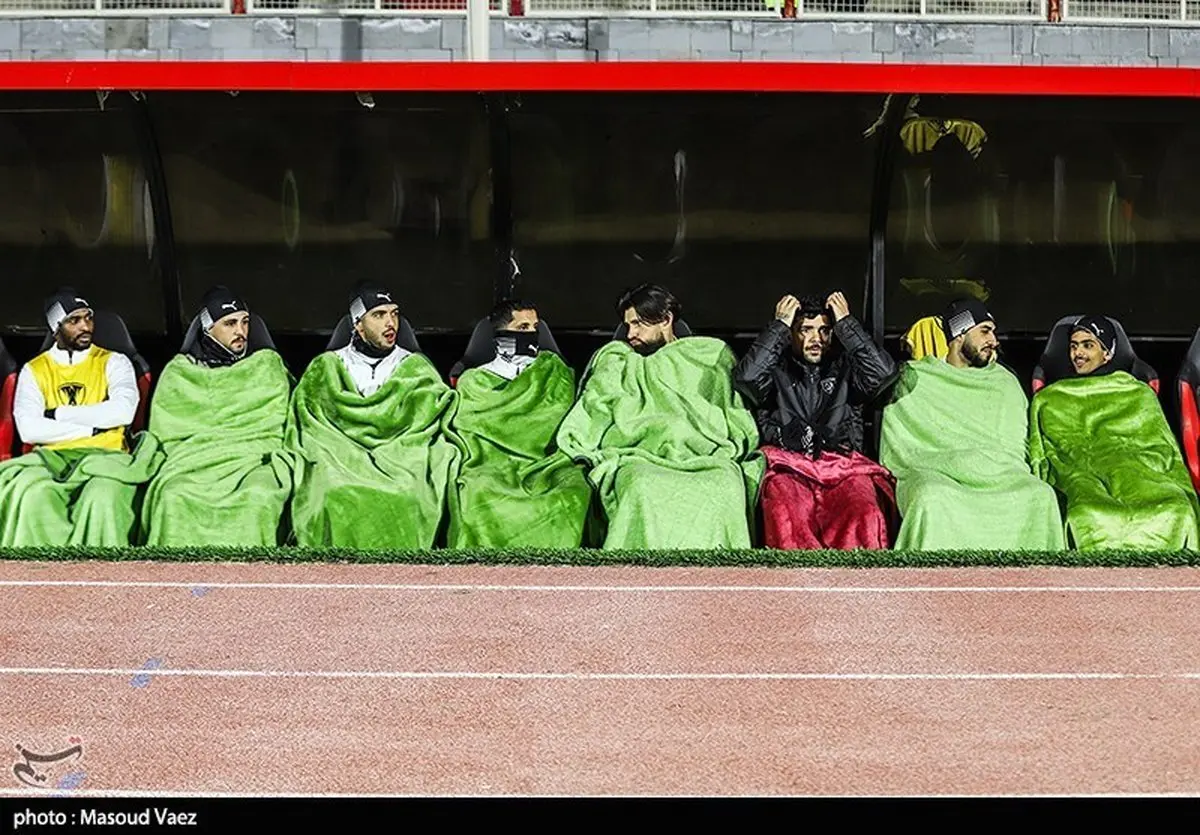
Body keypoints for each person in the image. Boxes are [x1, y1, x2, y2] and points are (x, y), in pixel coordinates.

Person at [557, 284, 764, 550]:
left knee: (726, 485)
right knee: (640, 486)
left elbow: (729, 410)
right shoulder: (618, 362)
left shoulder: (709, 355)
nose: (630, 333)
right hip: (638, 457)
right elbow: (595, 408)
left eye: (639, 324)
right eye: (627, 325)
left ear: (666, 320)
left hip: (705, 458)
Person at [879, 298, 1064, 551]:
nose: (994, 340)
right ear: (959, 334)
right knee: (930, 497)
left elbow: (1015, 447)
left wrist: (983, 463)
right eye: (985, 331)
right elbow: (905, 450)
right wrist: (957, 461)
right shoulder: (917, 377)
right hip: (939, 475)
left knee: (1040, 495)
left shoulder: (1004, 381)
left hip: (1001, 474)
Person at [284, 281, 459, 549]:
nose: (391, 323)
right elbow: (313, 423)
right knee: (333, 490)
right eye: (379, 315)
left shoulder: (415, 367)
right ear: (358, 324)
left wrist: (394, 450)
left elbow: (426, 423)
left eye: (394, 314)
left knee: (407, 492)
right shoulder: (328, 365)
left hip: (401, 456)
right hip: (340, 455)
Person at [734, 291, 898, 550]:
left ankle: (860, 589)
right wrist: (779, 326)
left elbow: (883, 373)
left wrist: (845, 322)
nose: (816, 339)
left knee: (865, 512)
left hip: (844, 466)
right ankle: (796, 589)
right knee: (786, 514)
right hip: (789, 467)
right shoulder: (776, 368)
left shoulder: (846, 367)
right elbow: (747, 379)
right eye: (806, 330)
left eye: (824, 330)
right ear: (791, 333)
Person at [0, 287, 162, 546]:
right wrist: (92, 430)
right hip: (52, 459)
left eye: (88, 318)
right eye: (74, 320)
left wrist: (57, 415)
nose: (85, 326)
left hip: (109, 457)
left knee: (102, 497)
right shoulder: (34, 370)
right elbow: (30, 429)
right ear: (56, 328)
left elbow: (122, 412)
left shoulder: (115, 362)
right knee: (30, 494)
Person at [140, 287, 297, 548]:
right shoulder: (179, 372)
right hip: (193, 462)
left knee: (259, 496)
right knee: (173, 496)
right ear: (207, 328)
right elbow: (166, 432)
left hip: (256, 461)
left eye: (245, 322)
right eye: (230, 323)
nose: (241, 331)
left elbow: (280, 421)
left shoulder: (268, 365)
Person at [1028, 315, 1200, 550]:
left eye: (1088, 345)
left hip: (1139, 469)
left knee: (1176, 508)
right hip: (1080, 472)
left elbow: (1162, 445)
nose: (1078, 353)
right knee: (1086, 512)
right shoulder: (1050, 397)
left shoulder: (1138, 393)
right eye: (1073, 346)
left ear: (1107, 353)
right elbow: (1046, 449)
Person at [445, 299, 593, 549]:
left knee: (576, 489)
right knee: (476, 489)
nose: (532, 335)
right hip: (491, 464)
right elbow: (468, 429)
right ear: (500, 334)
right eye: (523, 328)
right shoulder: (473, 381)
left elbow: (562, 416)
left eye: (535, 328)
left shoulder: (555, 371)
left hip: (548, 464)